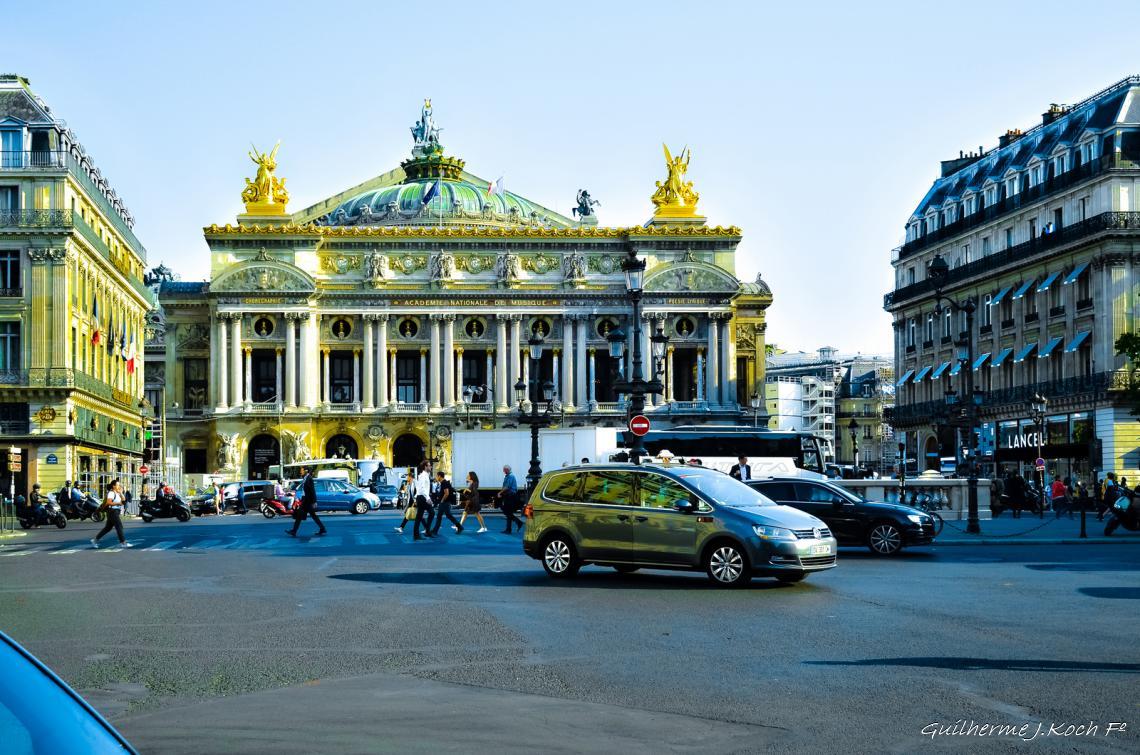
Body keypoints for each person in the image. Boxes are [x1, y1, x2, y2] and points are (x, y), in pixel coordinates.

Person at [285, 465, 326, 537]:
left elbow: (312, 491)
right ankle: (322, 528)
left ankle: (294, 531)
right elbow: (305, 490)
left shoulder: (309, 478)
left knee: (300, 515)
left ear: (306, 471)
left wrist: (314, 501)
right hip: (305, 500)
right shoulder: (305, 478)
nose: (300, 471)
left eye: (302, 470)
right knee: (311, 515)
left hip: (308, 501)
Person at [91, 479, 132, 549]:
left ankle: (94, 540)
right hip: (112, 511)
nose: (119, 486)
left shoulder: (117, 493)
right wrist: (118, 503)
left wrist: (120, 493)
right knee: (119, 526)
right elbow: (108, 502)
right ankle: (123, 543)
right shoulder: (111, 493)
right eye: (118, 485)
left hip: (114, 512)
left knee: (107, 528)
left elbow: (124, 501)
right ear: (113, 486)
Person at [431, 471, 463, 535]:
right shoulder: (443, 483)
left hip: (445, 503)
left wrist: (442, 501)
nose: (436, 478)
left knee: (446, 516)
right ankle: (435, 530)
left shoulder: (444, 483)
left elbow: (446, 493)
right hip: (445, 503)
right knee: (441, 516)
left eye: (437, 476)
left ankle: (459, 526)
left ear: (439, 476)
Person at [497, 465, 523, 534]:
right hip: (508, 495)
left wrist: (500, 492)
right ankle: (511, 528)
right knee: (508, 512)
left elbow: (507, 487)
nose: (503, 471)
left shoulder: (511, 476)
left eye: (504, 470)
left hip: (510, 496)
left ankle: (514, 525)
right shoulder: (508, 476)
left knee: (507, 512)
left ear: (507, 469)